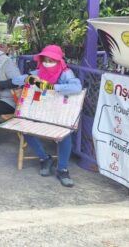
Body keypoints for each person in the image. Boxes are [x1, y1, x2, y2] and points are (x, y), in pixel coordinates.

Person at [12, 45, 82, 187]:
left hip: (59, 114)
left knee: (65, 135)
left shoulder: (66, 73)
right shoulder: (39, 71)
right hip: (40, 112)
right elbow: (16, 80)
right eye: (45, 59)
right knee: (25, 129)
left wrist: (52, 87)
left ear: (58, 60)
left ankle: (62, 169)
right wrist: (30, 79)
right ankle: (45, 158)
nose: (47, 63)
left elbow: (77, 87)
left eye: (51, 60)